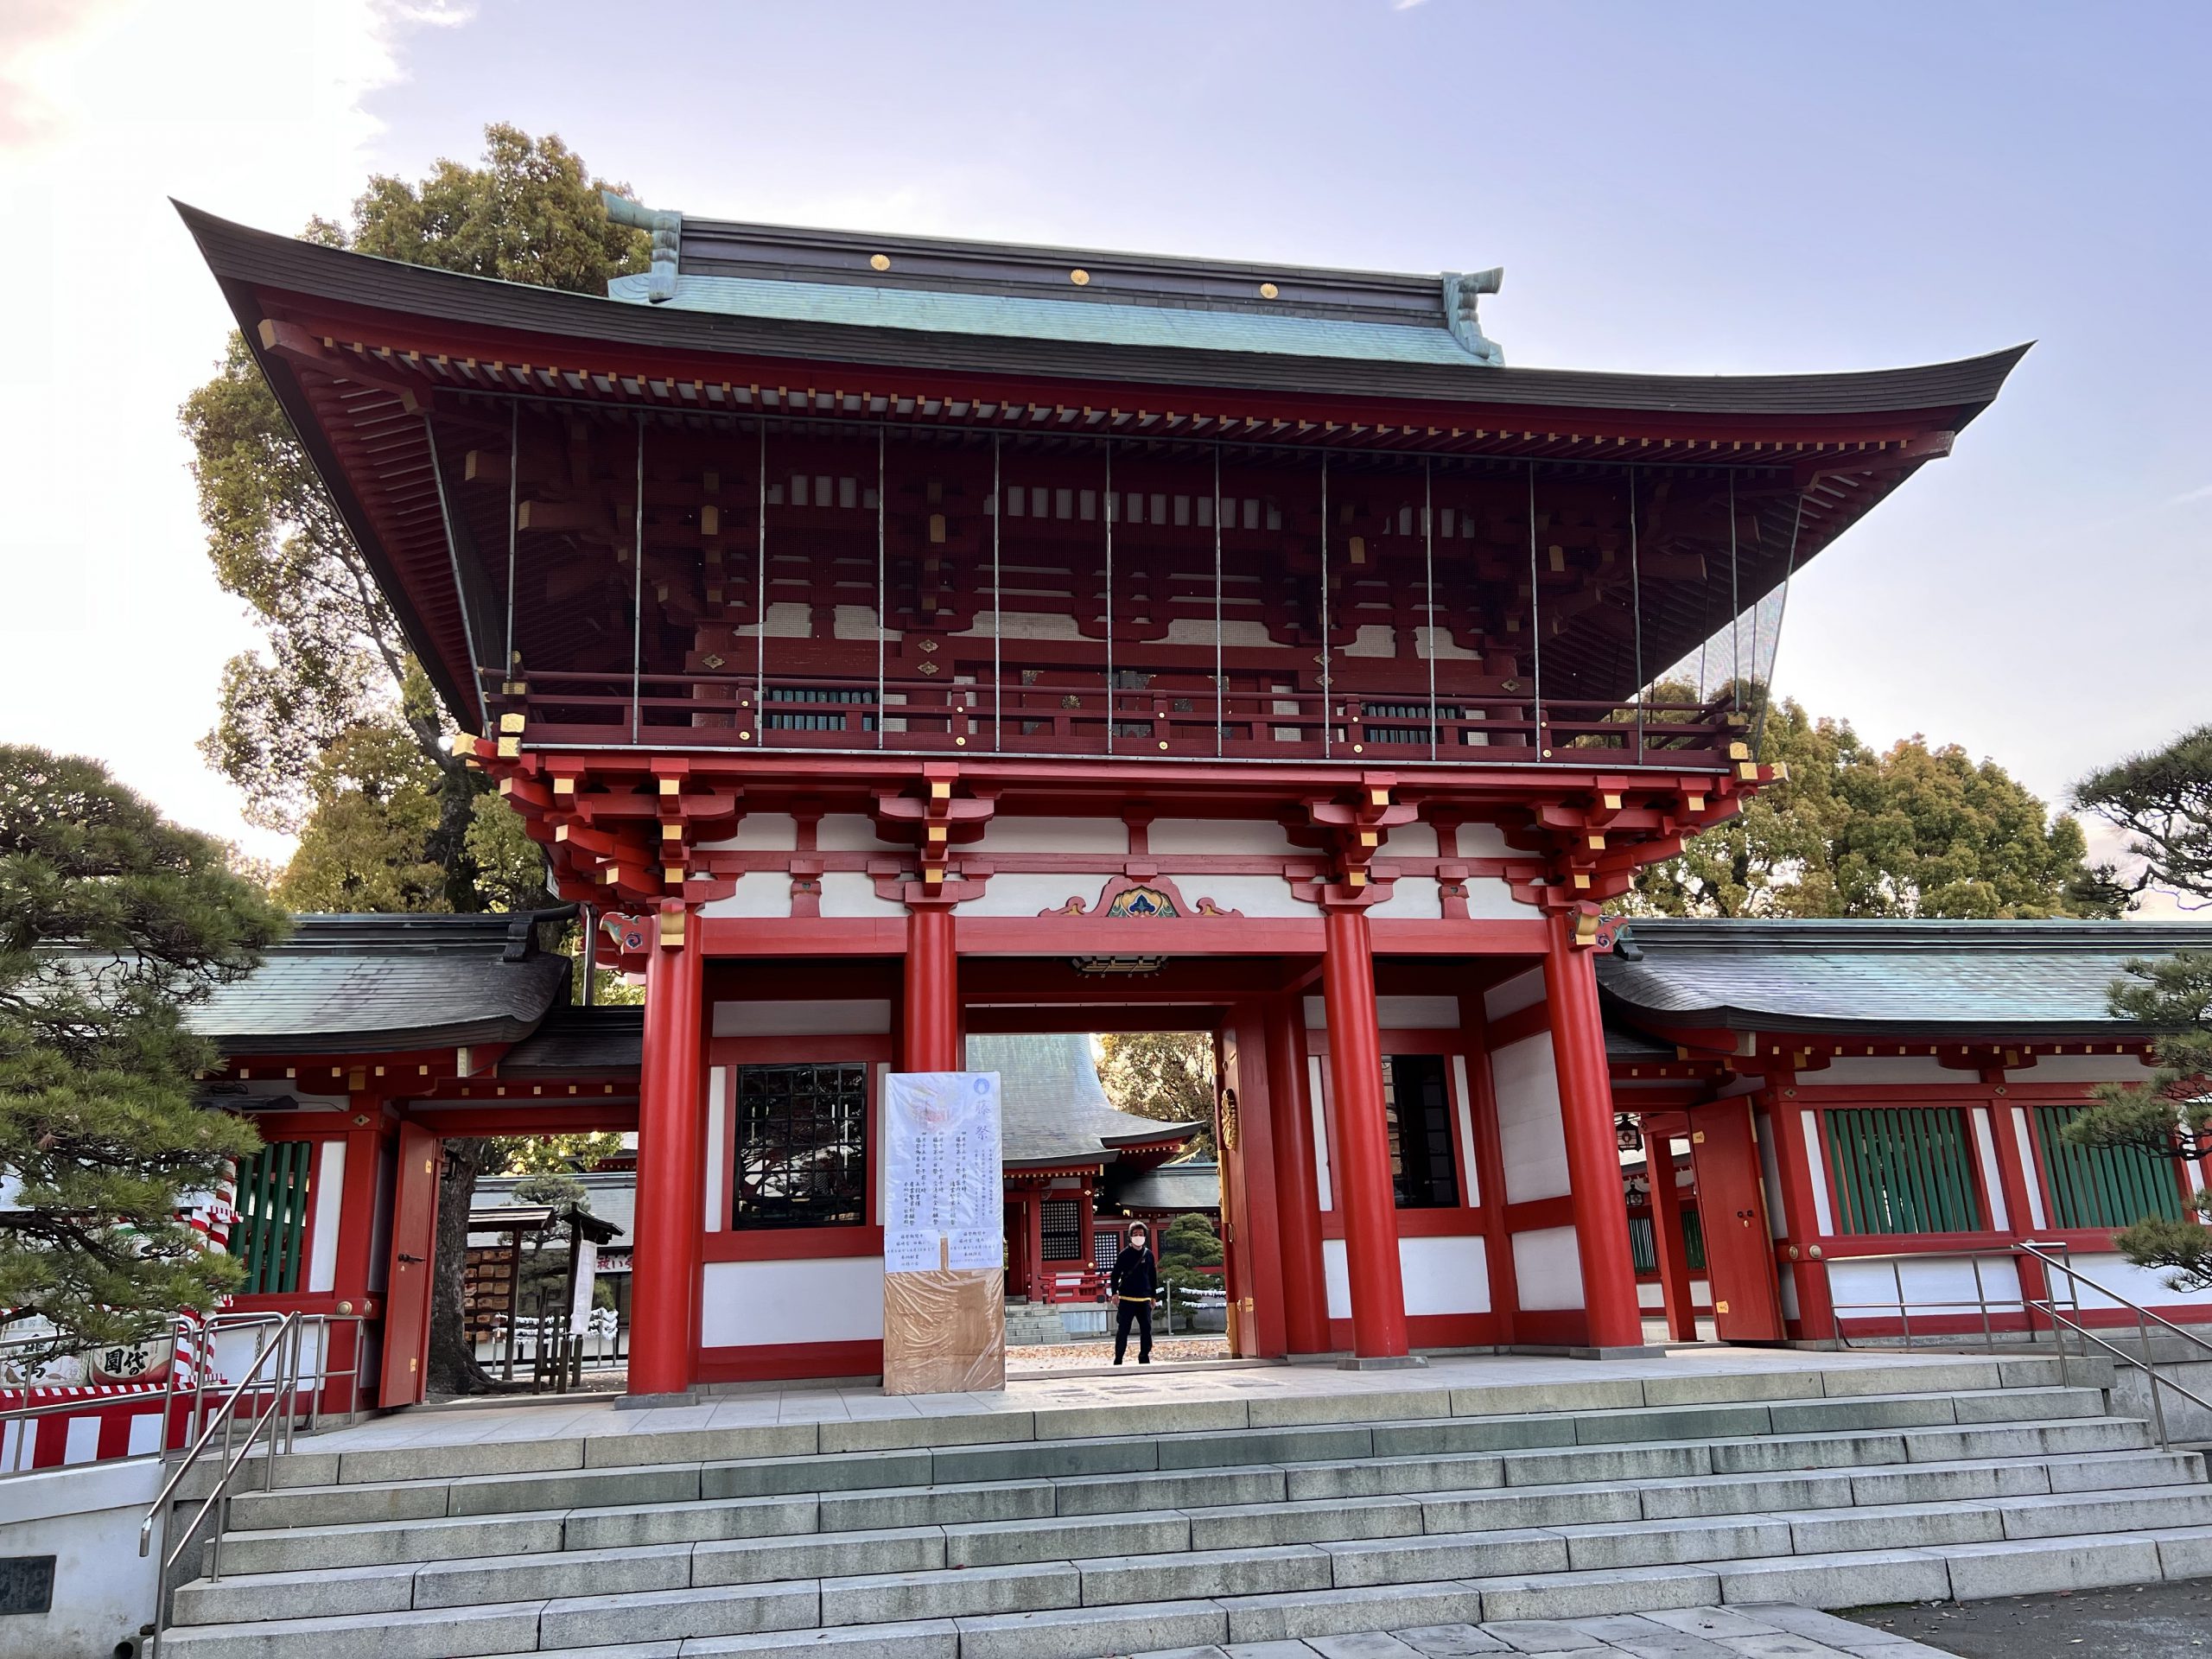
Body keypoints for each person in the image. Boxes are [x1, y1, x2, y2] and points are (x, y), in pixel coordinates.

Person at [1108, 1221, 1159, 1364]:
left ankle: (1144, 1357)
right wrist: (1114, 1293)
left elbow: (1152, 1276)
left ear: (1145, 1237)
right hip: (1126, 1298)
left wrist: (1153, 1296)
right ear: (1130, 1237)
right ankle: (1118, 1358)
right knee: (1123, 1330)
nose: (1138, 1237)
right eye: (1135, 1234)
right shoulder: (1124, 1254)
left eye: (1141, 1234)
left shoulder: (1148, 1255)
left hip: (1144, 1299)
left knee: (1146, 1330)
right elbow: (1115, 1275)